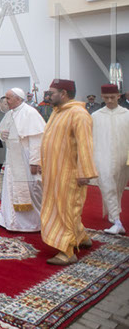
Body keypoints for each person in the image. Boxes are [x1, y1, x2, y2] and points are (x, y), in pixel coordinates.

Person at [41, 79, 98, 265]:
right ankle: (81, 237)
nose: (48, 96)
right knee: (60, 208)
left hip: (70, 174)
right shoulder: (57, 112)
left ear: (63, 93)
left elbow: (85, 145)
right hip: (54, 172)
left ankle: (67, 252)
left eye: (51, 92)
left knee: (66, 210)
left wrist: (84, 172)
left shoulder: (78, 114)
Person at [0, 88, 46, 232]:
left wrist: (35, 162)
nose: (6, 101)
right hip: (12, 156)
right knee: (9, 188)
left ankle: (31, 223)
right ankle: (9, 220)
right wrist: (2, 136)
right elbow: (3, 132)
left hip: (25, 156)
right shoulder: (10, 113)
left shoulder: (30, 113)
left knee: (31, 189)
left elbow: (37, 141)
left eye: (8, 98)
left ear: (18, 99)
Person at [92, 84, 129, 235]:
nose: (109, 100)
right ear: (102, 97)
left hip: (123, 156)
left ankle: (114, 215)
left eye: (112, 97)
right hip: (102, 155)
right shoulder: (95, 116)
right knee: (107, 184)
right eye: (106, 98)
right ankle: (117, 221)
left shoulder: (127, 114)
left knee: (118, 187)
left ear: (118, 96)